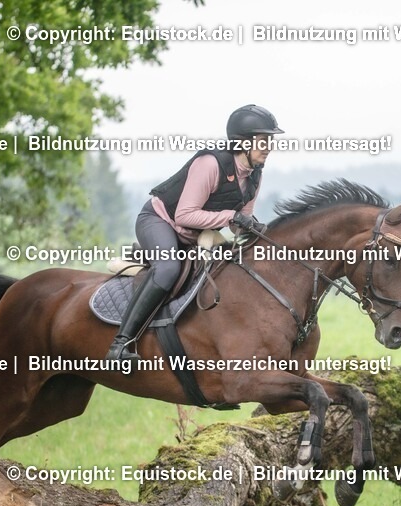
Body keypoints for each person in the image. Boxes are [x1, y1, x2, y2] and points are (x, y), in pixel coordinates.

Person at [105, 104, 283, 362]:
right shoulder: (210, 164)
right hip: (160, 221)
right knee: (168, 269)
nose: (269, 147)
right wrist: (231, 217)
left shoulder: (255, 175)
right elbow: (185, 216)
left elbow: (238, 222)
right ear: (243, 142)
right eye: (263, 140)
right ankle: (121, 343)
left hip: (194, 236)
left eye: (270, 141)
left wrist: (252, 227)